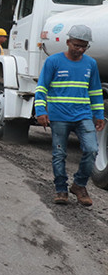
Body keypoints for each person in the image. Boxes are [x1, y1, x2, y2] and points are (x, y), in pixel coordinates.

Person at [34, 23, 104, 206]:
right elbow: (41, 88)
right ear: (68, 42)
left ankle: (79, 185)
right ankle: (61, 189)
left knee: (92, 149)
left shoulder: (91, 64)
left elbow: (95, 92)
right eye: (76, 45)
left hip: (83, 115)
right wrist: (41, 111)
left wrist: (99, 114)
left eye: (84, 46)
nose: (80, 49)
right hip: (59, 116)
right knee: (59, 154)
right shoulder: (53, 62)